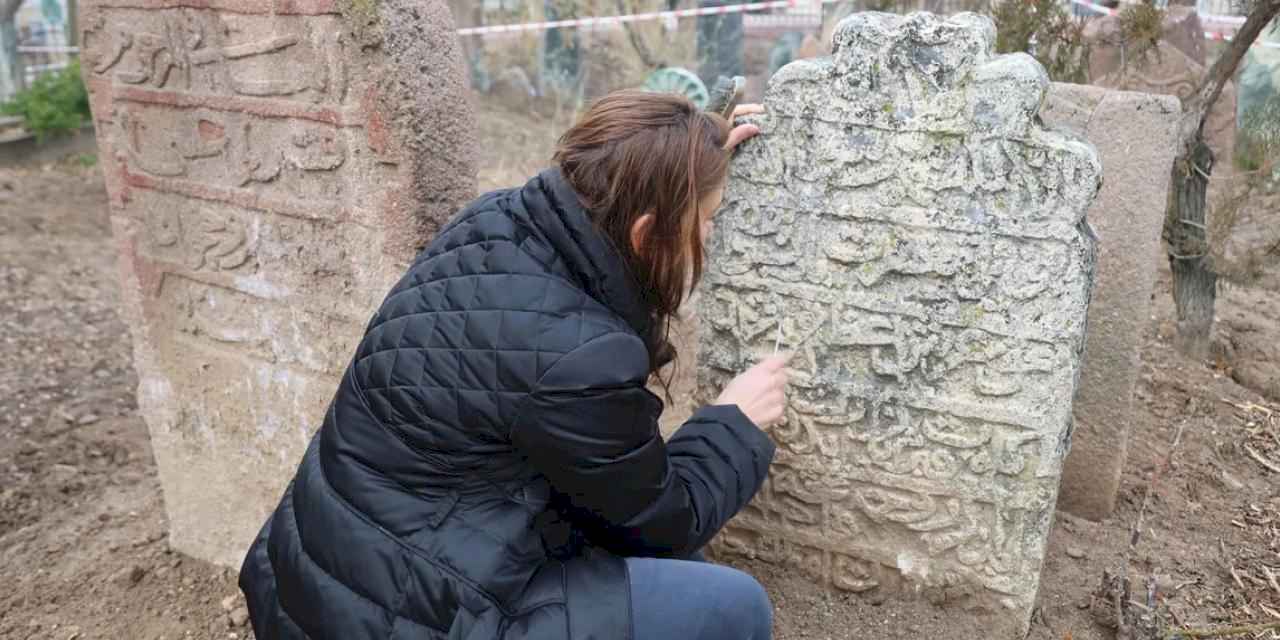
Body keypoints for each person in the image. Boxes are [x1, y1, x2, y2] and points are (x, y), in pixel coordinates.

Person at [238, 90, 789, 640]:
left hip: (314, 583)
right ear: (646, 234)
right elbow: (661, 523)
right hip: (397, 617)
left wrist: (695, 152)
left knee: (668, 577)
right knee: (729, 606)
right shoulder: (581, 361)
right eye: (708, 217)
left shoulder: (493, 222)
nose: (712, 233)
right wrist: (732, 423)